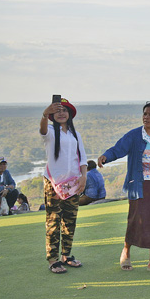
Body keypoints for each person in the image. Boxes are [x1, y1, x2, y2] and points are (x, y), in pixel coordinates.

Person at [98, 102, 150, 272]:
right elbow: (118, 148)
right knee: (135, 220)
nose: (147, 117)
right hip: (139, 185)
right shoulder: (135, 135)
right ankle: (126, 252)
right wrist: (106, 156)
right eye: (145, 114)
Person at [40, 98, 88, 274]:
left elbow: (82, 158)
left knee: (70, 220)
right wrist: (45, 113)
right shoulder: (51, 131)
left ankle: (66, 255)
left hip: (73, 182)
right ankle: (53, 259)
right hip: (53, 182)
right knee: (53, 220)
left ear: (70, 115)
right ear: (52, 115)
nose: (61, 113)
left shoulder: (76, 134)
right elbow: (42, 129)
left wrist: (84, 177)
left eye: (65, 110)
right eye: (57, 110)